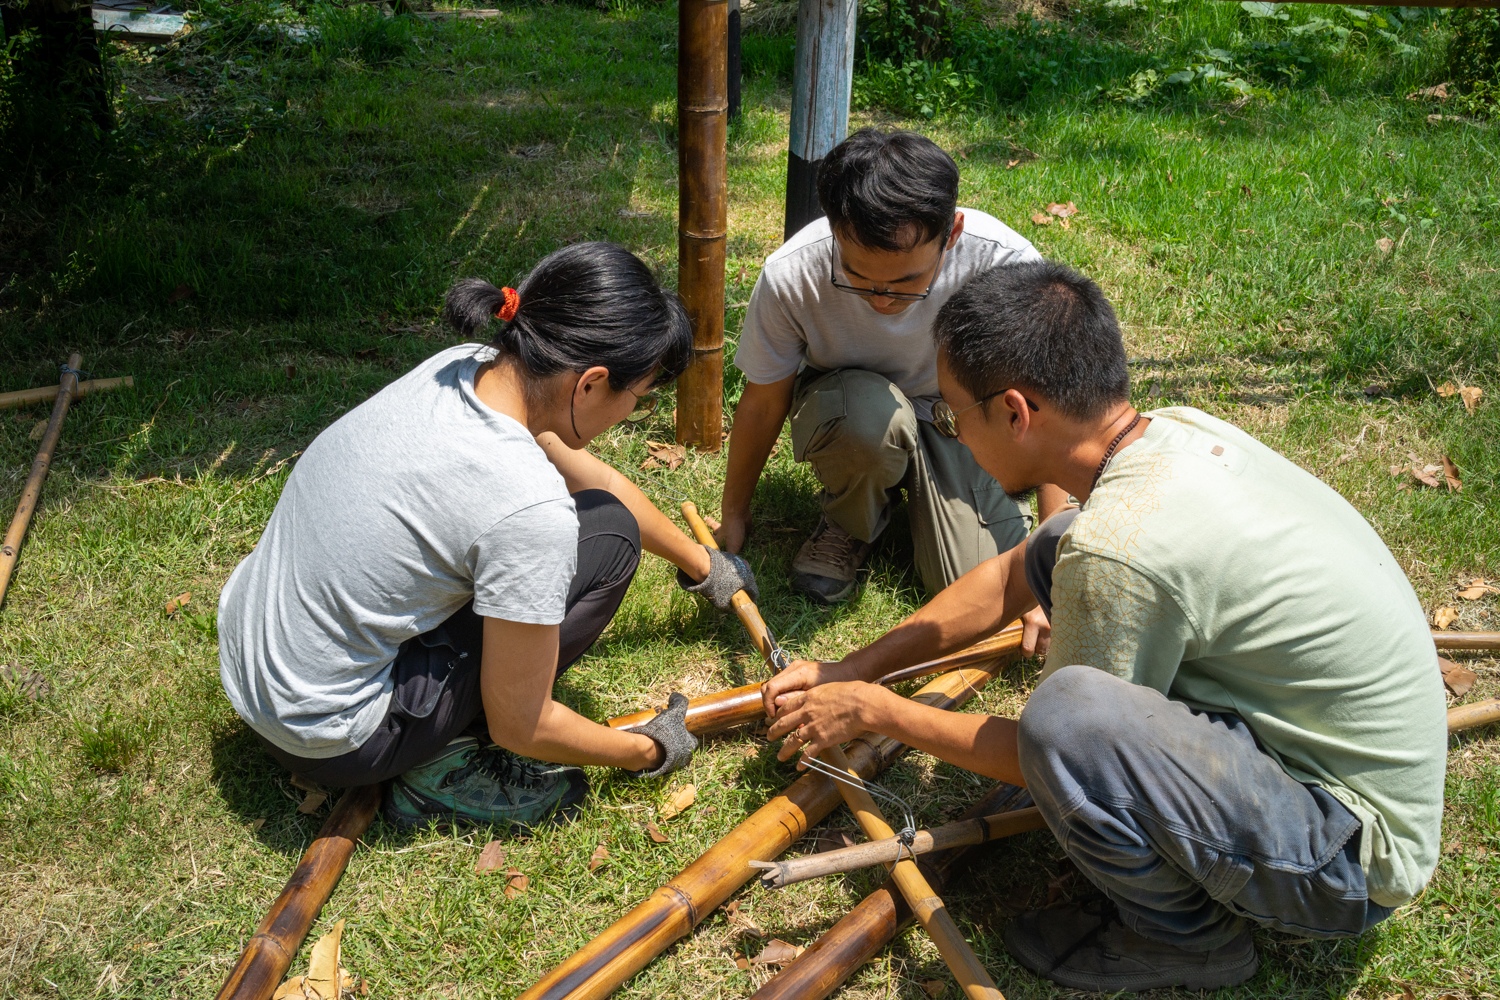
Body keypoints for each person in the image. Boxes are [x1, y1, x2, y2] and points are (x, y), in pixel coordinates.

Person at [759, 260, 1446, 991]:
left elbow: (1046, 751)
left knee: (1066, 719)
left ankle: (1190, 941)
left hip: (1346, 859)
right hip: (1319, 768)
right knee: (1057, 545)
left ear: (1016, 412)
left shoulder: (1119, 548)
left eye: (951, 416)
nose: (952, 436)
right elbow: (1021, 567)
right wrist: (854, 669)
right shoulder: (1170, 435)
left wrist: (876, 711)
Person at [218, 243, 759, 830]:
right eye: (638, 398)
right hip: (335, 738)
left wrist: (700, 562)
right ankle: (439, 769)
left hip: (256, 672)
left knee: (609, 526)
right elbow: (520, 724)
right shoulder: (529, 509)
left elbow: (593, 478)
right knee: (609, 551)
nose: (631, 413)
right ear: (592, 383)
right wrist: (647, 749)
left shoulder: (468, 368)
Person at [720, 127, 1067, 627]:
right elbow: (763, 400)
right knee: (869, 421)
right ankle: (850, 518)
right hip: (854, 409)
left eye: (906, 282)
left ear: (951, 234)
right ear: (836, 231)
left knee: (979, 590)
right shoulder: (791, 272)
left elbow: (1042, 406)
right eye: (858, 277)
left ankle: (925, 490)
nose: (882, 299)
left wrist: (1049, 559)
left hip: (962, 419)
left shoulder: (1006, 266)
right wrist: (735, 511)